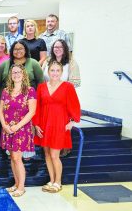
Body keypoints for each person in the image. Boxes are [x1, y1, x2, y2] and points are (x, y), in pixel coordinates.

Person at [33, 61, 81, 193]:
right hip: (44, 124)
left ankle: (58, 182)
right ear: (48, 72)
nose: (55, 73)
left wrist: (72, 121)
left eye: (57, 71)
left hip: (59, 124)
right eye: (52, 70)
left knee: (55, 155)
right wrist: (36, 124)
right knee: (47, 154)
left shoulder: (67, 86)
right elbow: (38, 107)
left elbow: (75, 105)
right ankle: (52, 180)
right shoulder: (42, 87)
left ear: (61, 72)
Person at [0, 64, 36, 197]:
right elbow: (0, 110)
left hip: (22, 129)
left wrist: (17, 126)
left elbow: (32, 112)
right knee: (12, 158)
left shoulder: (30, 91)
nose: (16, 74)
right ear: (10, 75)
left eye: (19, 72)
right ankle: (16, 183)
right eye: (14, 72)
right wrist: (4, 125)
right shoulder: (6, 91)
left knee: (17, 157)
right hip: (8, 128)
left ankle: (21, 187)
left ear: (24, 74)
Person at [43, 39, 81, 157]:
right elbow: (42, 77)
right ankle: (49, 145)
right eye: (55, 47)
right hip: (48, 96)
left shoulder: (71, 62)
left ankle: (63, 148)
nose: (57, 49)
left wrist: (61, 89)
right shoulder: (48, 61)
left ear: (65, 49)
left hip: (63, 97)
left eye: (60, 47)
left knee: (62, 123)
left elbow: (75, 81)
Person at [0, 40, 44, 117]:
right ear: (12, 51)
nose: (18, 51)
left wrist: (38, 101)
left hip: (28, 103)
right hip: (7, 104)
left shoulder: (34, 63)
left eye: (21, 49)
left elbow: (41, 83)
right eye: (15, 49)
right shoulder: (4, 64)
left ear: (26, 50)